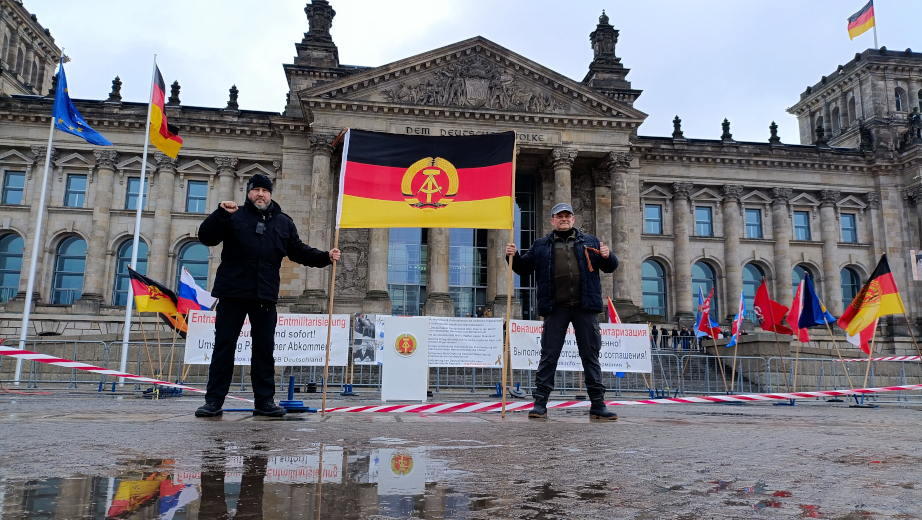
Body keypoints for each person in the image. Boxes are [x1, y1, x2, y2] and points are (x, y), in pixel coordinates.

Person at [194, 173, 341, 418]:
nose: (260, 194)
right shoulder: (233, 215)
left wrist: (325, 256)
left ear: (270, 194)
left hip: (265, 295)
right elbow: (206, 237)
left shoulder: (283, 222)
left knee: (264, 349)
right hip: (232, 293)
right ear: (248, 193)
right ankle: (213, 401)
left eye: (265, 190)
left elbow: (298, 251)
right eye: (256, 190)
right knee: (224, 347)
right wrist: (220, 213)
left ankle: (264, 401)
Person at [506, 203, 618, 420]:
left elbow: (610, 267)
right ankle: (540, 404)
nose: (564, 219)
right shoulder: (541, 245)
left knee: (590, 355)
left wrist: (607, 255)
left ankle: (597, 404)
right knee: (549, 355)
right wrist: (513, 256)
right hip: (556, 308)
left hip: (585, 307)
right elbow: (523, 269)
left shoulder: (591, 242)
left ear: (573, 219)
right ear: (552, 220)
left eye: (567, 216)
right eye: (559, 216)